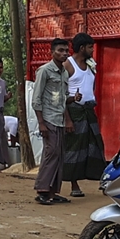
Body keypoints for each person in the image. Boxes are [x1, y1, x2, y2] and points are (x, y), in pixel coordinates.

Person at [61, 33, 104, 197]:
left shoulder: (90, 65)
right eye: (90, 47)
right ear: (81, 48)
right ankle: (74, 184)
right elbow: (61, 94)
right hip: (74, 111)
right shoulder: (68, 65)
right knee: (75, 148)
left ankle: (101, 180)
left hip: (88, 110)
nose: (93, 50)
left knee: (96, 145)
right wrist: (68, 119)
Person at [31, 38, 72, 205]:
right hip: (48, 119)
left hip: (59, 119)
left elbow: (63, 99)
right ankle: (42, 190)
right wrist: (41, 122)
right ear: (52, 52)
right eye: (60, 50)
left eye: (66, 51)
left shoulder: (64, 73)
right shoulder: (45, 71)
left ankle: (53, 192)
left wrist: (72, 102)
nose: (64, 54)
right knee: (51, 153)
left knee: (59, 154)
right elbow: (36, 99)